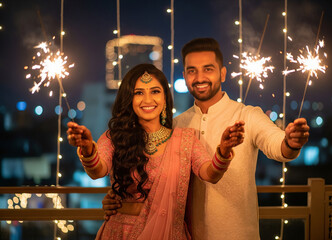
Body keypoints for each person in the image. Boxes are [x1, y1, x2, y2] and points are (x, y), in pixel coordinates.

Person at [102, 38, 310, 240]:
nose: (200, 77)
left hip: (237, 235)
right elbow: (149, 176)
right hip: (187, 234)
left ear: (222, 73)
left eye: (208, 69)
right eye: (192, 71)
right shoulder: (175, 126)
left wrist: (291, 142)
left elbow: (277, 145)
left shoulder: (247, 115)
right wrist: (119, 199)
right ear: (184, 75)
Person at [67, 63, 245, 239]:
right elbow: (98, 171)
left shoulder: (185, 140)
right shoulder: (115, 138)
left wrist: (223, 150)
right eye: (139, 93)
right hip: (122, 233)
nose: (147, 100)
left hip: (169, 234)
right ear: (129, 99)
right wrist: (88, 148)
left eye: (155, 91)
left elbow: (210, 174)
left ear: (165, 98)